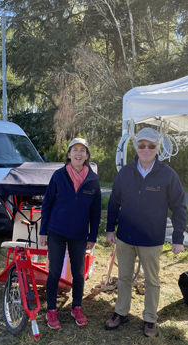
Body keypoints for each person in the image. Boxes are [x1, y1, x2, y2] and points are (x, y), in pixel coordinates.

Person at [104, 127, 187, 337]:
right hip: (125, 237)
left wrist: (178, 238)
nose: (146, 149)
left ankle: (150, 319)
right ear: (137, 147)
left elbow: (179, 206)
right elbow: (114, 202)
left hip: (151, 240)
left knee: (152, 281)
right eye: (142, 145)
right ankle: (120, 312)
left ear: (158, 148)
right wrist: (110, 230)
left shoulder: (168, 175)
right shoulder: (125, 172)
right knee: (123, 278)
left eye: (151, 145)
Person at [40, 138, 101, 329]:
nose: (78, 153)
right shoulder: (58, 176)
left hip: (79, 234)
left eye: (82, 150)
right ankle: (51, 310)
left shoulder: (93, 179)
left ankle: (76, 307)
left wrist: (92, 236)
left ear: (87, 155)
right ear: (68, 154)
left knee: (78, 274)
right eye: (75, 149)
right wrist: (43, 232)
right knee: (54, 272)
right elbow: (47, 203)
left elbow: (96, 211)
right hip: (56, 231)